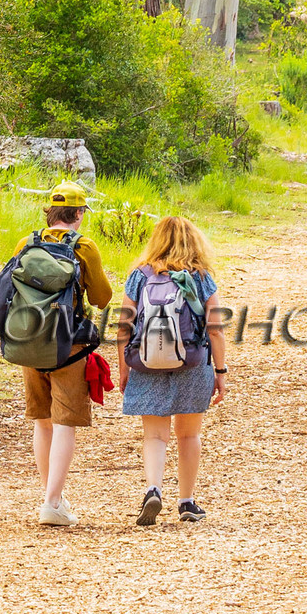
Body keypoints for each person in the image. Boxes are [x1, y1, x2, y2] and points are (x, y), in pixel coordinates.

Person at [114, 216, 228, 524]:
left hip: (147, 363)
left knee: (154, 435)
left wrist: (123, 367)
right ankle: (187, 502)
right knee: (189, 434)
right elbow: (215, 329)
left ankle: (153, 489)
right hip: (192, 363)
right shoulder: (201, 277)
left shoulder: (139, 276)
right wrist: (221, 371)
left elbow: (124, 326)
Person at [15, 178, 112, 527]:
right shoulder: (84, 247)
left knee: (42, 422)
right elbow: (102, 298)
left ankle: (51, 497)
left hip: (28, 341)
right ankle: (52, 501)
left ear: (50, 211)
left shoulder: (27, 243)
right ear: (79, 213)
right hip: (69, 345)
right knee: (64, 424)